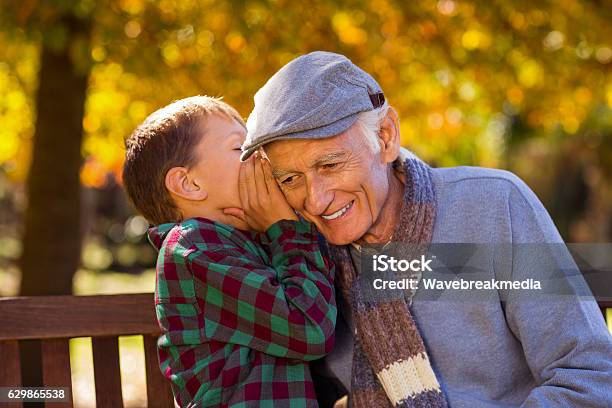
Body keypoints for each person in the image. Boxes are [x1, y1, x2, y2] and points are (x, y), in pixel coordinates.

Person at [239, 52, 612, 407]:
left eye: (331, 165)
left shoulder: (493, 206)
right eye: (290, 179)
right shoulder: (305, 261)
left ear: (385, 137)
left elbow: (587, 375)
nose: (316, 200)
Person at [122, 96, 337, 407]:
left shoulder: (252, 240)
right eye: (241, 148)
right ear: (189, 184)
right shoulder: (194, 249)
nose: (259, 155)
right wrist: (286, 228)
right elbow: (310, 328)